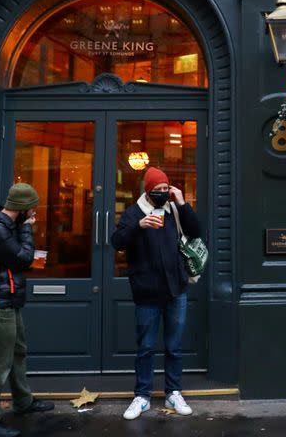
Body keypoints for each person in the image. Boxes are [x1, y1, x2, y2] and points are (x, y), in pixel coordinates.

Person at [111, 167, 201, 420]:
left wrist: (182, 203)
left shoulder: (174, 210)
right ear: (147, 191)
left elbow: (196, 231)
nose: (162, 193)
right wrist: (139, 226)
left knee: (174, 347)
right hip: (147, 291)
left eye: (165, 189)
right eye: (157, 190)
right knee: (146, 347)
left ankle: (174, 392)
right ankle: (142, 396)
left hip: (176, 290)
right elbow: (117, 242)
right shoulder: (133, 213)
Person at [0, 183, 55, 437]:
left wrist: (22, 228)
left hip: (9, 300)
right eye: (31, 211)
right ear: (23, 208)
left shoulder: (7, 227)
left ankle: (23, 401)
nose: (32, 215)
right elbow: (23, 257)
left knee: (18, 351)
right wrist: (28, 229)